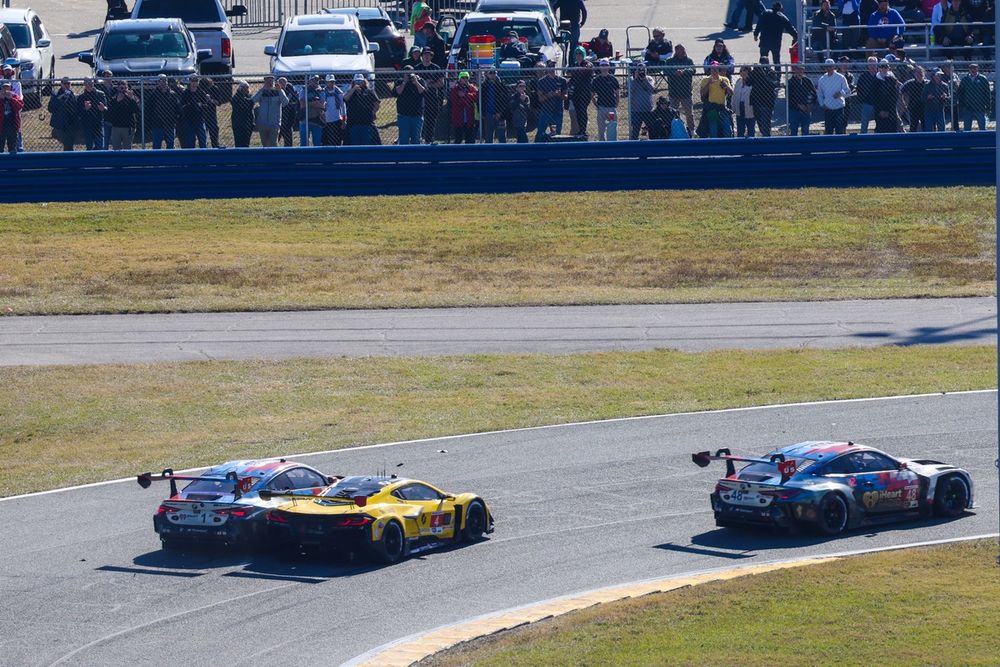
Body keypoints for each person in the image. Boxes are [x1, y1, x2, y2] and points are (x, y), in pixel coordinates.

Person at [415, 46, 444, 143]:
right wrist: (424, 83)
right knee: (420, 119)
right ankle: (419, 139)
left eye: (429, 55)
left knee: (431, 120)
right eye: (425, 55)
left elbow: (441, 83)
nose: (427, 57)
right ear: (422, 56)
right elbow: (414, 83)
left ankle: (429, 140)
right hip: (419, 99)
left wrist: (428, 84)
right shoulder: (417, 68)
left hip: (432, 98)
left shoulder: (436, 68)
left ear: (431, 56)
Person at [664, 44, 695, 135]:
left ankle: (691, 130)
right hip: (674, 92)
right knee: (673, 113)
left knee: (689, 113)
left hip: (686, 92)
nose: (682, 52)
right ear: (676, 51)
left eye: (683, 50)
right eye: (680, 50)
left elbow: (693, 70)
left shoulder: (689, 61)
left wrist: (684, 72)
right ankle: (672, 129)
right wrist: (674, 72)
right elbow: (665, 71)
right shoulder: (670, 61)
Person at [698, 61, 734, 137]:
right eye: (712, 69)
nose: (714, 71)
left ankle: (728, 144)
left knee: (727, 128)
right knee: (713, 129)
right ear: (710, 70)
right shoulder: (706, 80)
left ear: (718, 70)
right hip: (711, 108)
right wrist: (708, 84)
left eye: (716, 69)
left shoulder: (724, 79)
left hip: (722, 107)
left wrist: (726, 86)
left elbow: (731, 93)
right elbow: (702, 93)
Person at [144, 74, 180, 149]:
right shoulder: (153, 95)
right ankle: (156, 160)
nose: (163, 82)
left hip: (170, 124)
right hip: (157, 125)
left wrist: (175, 119)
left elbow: (178, 108)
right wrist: (152, 121)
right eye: (161, 80)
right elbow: (148, 109)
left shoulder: (172, 94)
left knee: (170, 145)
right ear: (157, 82)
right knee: (156, 145)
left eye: (165, 80)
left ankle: (170, 160)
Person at [535, 60, 567, 141]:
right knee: (540, 132)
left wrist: (560, 95)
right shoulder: (541, 81)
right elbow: (540, 98)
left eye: (553, 66)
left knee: (557, 134)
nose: (552, 68)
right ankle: (536, 149)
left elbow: (566, 97)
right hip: (546, 110)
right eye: (550, 66)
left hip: (558, 110)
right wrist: (549, 95)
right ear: (547, 68)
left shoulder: (562, 80)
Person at [345, 73, 380, 145]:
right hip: (353, 123)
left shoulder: (369, 91)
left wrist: (373, 112)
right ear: (353, 82)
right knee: (355, 143)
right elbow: (345, 98)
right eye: (357, 81)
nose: (359, 83)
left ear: (364, 81)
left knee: (366, 143)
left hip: (366, 122)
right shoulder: (351, 92)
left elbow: (377, 102)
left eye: (360, 81)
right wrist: (354, 89)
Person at [394, 65, 426, 144]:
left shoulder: (420, 80)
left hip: (417, 115)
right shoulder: (399, 81)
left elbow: (423, 92)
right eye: (407, 73)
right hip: (403, 115)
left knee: (416, 139)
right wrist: (404, 82)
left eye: (411, 73)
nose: (409, 75)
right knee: (403, 139)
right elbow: (397, 92)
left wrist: (416, 82)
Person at [817, 58, 850, 134]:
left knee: (839, 130)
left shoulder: (841, 77)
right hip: (828, 109)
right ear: (825, 67)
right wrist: (822, 104)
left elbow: (848, 91)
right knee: (828, 130)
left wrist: (840, 93)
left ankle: (839, 146)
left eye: (831, 66)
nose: (829, 68)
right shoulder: (822, 79)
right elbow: (819, 94)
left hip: (839, 108)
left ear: (834, 67)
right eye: (827, 66)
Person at [252, 75, 287, 147]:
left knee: (273, 143)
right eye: (267, 81)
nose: (269, 83)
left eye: (271, 81)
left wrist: (280, 91)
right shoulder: (261, 91)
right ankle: (266, 158)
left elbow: (285, 102)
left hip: (274, 123)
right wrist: (262, 90)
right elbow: (253, 100)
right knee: (265, 144)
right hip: (262, 123)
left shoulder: (279, 91)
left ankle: (275, 157)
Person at [749, 57, 779, 136]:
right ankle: (764, 135)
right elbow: (748, 82)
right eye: (762, 63)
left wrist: (763, 75)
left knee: (765, 123)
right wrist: (753, 71)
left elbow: (773, 84)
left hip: (767, 102)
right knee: (760, 123)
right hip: (756, 102)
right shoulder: (756, 72)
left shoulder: (771, 73)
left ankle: (767, 139)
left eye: (765, 63)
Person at [106, 80, 140, 150]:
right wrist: (117, 102)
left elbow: (137, 110)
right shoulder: (113, 99)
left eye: (125, 88)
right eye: (121, 88)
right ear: (117, 88)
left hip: (128, 127)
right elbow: (110, 113)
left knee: (127, 148)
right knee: (116, 148)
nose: (123, 90)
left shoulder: (132, 98)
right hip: (116, 127)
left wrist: (132, 99)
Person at [591, 57, 620, 140]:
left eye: (606, 65)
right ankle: (602, 147)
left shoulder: (613, 79)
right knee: (601, 130)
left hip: (611, 107)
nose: (604, 67)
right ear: (600, 66)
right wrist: (597, 106)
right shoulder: (596, 80)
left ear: (609, 66)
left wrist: (616, 104)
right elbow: (592, 95)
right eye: (602, 65)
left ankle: (613, 145)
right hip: (601, 107)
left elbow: (617, 93)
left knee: (613, 128)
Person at [178, 77, 210, 148]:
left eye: (196, 81)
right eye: (193, 81)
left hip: (200, 120)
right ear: (190, 82)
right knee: (190, 141)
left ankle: (203, 156)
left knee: (203, 140)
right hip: (189, 121)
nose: (194, 83)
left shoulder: (201, 92)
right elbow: (182, 105)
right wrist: (190, 105)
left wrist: (200, 105)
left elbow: (205, 105)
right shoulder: (186, 93)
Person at [76, 77, 107, 150]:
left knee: (100, 146)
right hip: (87, 125)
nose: (89, 85)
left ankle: (99, 161)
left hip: (98, 124)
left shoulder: (100, 94)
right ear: (84, 84)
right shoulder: (81, 97)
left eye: (91, 83)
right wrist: (85, 109)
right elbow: (79, 113)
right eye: (87, 83)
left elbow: (106, 109)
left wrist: (103, 108)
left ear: (93, 83)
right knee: (89, 146)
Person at [567, 46, 592, 136]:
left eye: (580, 54)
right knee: (577, 111)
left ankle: (583, 130)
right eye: (577, 53)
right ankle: (579, 130)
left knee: (582, 110)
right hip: (576, 92)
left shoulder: (587, 63)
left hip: (585, 92)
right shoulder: (574, 64)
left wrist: (578, 70)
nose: (578, 55)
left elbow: (587, 69)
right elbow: (571, 76)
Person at [480, 66, 509, 143]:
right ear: (487, 75)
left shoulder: (502, 85)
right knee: (488, 137)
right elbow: (479, 101)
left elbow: (505, 101)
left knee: (502, 137)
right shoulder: (483, 86)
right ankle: (489, 154)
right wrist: (482, 113)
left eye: (494, 73)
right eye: (491, 73)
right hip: (488, 114)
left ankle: (502, 152)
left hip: (500, 115)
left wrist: (500, 112)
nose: (493, 74)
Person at [48, 77, 78, 151]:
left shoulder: (72, 94)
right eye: (65, 84)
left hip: (71, 123)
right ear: (61, 84)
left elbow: (75, 108)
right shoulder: (55, 94)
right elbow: (51, 108)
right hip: (61, 123)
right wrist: (60, 97)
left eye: (69, 83)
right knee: (66, 143)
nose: (67, 85)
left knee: (70, 144)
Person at [449, 70, 479, 143]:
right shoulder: (455, 89)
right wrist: (467, 99)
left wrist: (465, 95)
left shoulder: (472, 88)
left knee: (469, 139)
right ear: (459, 79)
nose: (465, 79)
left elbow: (475, 97)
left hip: (469, 118)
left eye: (466, 77)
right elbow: (455, 101)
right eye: (463, 77)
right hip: (458, 118)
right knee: (458, 138)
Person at [786, 62, 816, 135]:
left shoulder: (807, 81)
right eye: (798, 69)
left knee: (805, 131)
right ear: (795, 70)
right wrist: (798, 105)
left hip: (806, 110)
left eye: (801, 69)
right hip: (794, 110)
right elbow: (788, 97)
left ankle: (805, 146)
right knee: (793, 131)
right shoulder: (790, 82)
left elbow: (814, 94)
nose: (800, 71)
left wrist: (810, 105)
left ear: (804, 70)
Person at [957, 62, 989, 130]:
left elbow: (987, 93)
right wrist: (962, 105)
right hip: (968, 108)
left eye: (975, 68)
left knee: (982, 128)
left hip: (980, 107)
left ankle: (983, 140)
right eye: (971, 68)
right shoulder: (964, 80)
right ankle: (967, 140)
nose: (973, 70)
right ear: (969, 69)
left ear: (978, 69)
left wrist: (988, 106)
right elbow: (960, 93)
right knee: (967, 129)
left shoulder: (983, 79)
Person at [627, 62, 654, 139]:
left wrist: (644, 79)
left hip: (648, 110)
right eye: (639, 70)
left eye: (643, 70)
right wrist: (635, 79)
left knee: (652, 131)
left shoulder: (649, 79)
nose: (641, 72)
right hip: (636, 111)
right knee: (634, 133)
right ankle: (633, 148)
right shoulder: (631, 79)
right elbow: (631, 90)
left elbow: (651, 90)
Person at [873, 59, 900, 132]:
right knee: (881, 128)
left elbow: (895, 95)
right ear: (879, 68)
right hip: (879, 109)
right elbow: (875, 97)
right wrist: (881, 110)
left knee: (892, 127)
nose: (884, 69)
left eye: (886, 67)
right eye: (882, 67)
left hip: (891, 108)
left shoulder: (892, 79)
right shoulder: (875, 80)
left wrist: (889, 110)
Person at [321, 74, 347, 146]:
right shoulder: (322, 92)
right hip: (325, 121)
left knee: (336, 141)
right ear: (326, 82)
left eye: (332, 82)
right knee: (325, 142)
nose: (331, 83)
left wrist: (344, 120)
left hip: (336, 120)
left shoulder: (339, 92)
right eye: (329, 82)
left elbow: (343, 106)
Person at [300, 75, 326, 146]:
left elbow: (322, 105)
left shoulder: (321, 91)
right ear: (309, 81)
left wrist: (308, 103)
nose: (316, 82)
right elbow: (302, 104)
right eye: (314, 80)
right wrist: (314, 103)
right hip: (305, 119)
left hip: (318, 120)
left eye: (317, 80)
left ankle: (317, 157)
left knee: (317, 143)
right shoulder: (304, 90)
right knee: (304, 143)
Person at [899, 65, 927, 131]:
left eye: (921, 72)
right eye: (917, 72)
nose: (919, 74)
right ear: (914, 74)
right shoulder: (910, 83)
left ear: (924, 73)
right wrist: (903, 103)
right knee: (913, 126)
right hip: (913, 108)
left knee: (925, 126)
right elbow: (900, 92)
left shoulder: (927, 83)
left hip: (925, 108)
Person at [856, 56, 879, 133]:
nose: (872, 66)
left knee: (880, 122)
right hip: (867, 102)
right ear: (868, 65)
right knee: (864, 122)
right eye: (870, 64)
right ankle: (862, 139)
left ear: (877, 64)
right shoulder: (863, 76)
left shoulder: (880, 75)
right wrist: (863, 99)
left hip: (880, 103)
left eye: (874, 64)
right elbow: (859, 89)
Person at [230, 80, 255, 148]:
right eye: (244, 87)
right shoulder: (236, 97)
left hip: (248, 121)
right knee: (238, 141)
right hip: (237, 122)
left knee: (246, 141)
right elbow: (235, 104)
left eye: (247, 87)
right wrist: (242, 96)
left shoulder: (250, 96)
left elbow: (250, 105)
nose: (246, 89)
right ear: (240, 88)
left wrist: (245, 99)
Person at [0, 80, 22, 153]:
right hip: (1, 125)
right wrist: (1, 99)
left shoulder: (15, 96)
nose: (6, 90)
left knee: (12, 148)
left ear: (10, 88)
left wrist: (11, 99)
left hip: (12, 125)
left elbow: (19, 106)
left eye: (7, 87)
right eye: (4, 87)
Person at [733, 65, 755, 137]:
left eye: (742, 70)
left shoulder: (753, 82)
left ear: (747, 71)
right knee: (740, 129)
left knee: (750, 129)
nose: (740, 72)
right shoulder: (738, 81)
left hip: (749, 108)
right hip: (739, 107)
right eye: (740, 71)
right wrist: (733, 106)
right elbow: (734, 95)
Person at [276, 77, 298, 147]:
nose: (283, 85)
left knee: (289, 143)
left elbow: (294, 102)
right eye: (281, 83)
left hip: (288, 121)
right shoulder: (275, 92)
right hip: (277, 122)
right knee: (275, 142)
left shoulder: (290, 90)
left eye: (284, 83)